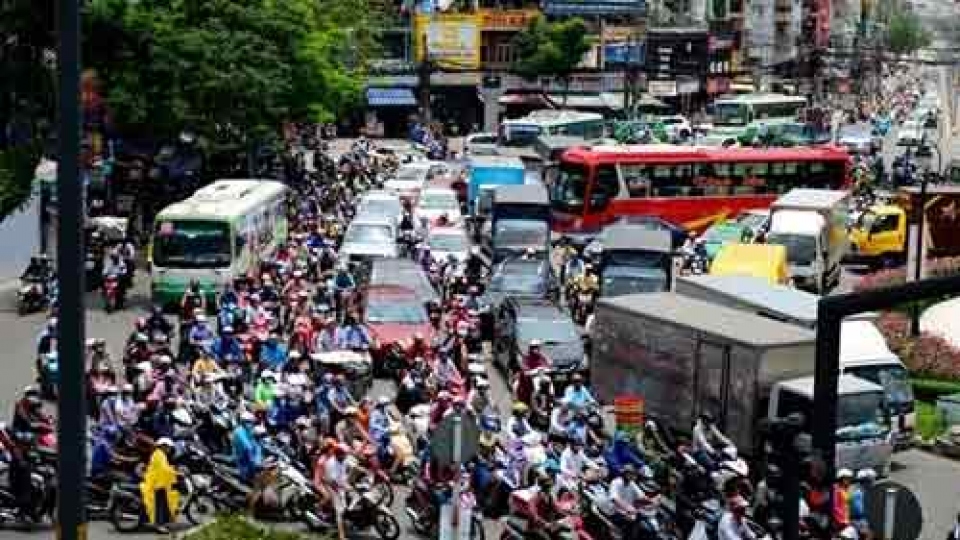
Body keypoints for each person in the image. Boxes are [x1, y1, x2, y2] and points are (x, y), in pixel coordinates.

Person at [140, 437, 181, 533]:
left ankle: (164, 521)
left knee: (165, 502)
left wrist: (174, 469)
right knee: (160, 504)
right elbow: (164, 469)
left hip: (159, 482)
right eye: (168, 447)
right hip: (156, 484)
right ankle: (159, 525)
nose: (170, 449)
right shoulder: (159, 455)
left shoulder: (160, 454)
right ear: (163, 446)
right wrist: (176, 473)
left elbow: (165, 468)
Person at [833, 468, 855, 533]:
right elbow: (835, 506)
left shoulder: (846, 490)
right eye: (846, 478)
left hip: (846, 518)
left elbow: (848, 504)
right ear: (841, 479)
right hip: (839, 521)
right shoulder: (836, 489)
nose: (849, 480)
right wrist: (842, 519)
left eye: (849, 478)